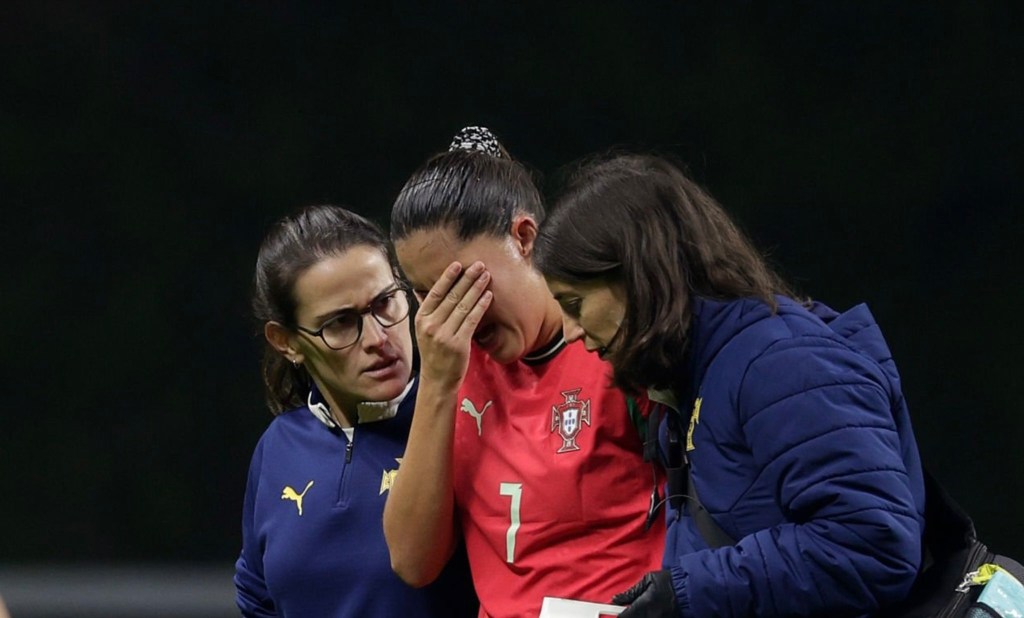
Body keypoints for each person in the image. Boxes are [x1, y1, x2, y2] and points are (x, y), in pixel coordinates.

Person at [534, 153, 927, 617]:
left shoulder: (782, 363)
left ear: (640, 274)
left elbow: (873, 546)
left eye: (575, 304)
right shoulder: (694, 379)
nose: (570, 331)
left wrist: (688, 592)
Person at [382, 127, 666, 618]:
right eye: (427, 295)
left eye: (462, 283)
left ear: (524, 238)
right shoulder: (450, 372)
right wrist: (437, 385)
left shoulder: (613, 340)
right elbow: (412, 562)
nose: (453, 313)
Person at [234, 204, 477, 617]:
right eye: (341, 323)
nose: (378, 338)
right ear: (286, 341)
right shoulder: (278, 448)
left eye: (385, 302)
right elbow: (258, 600)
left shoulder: (470, 423)